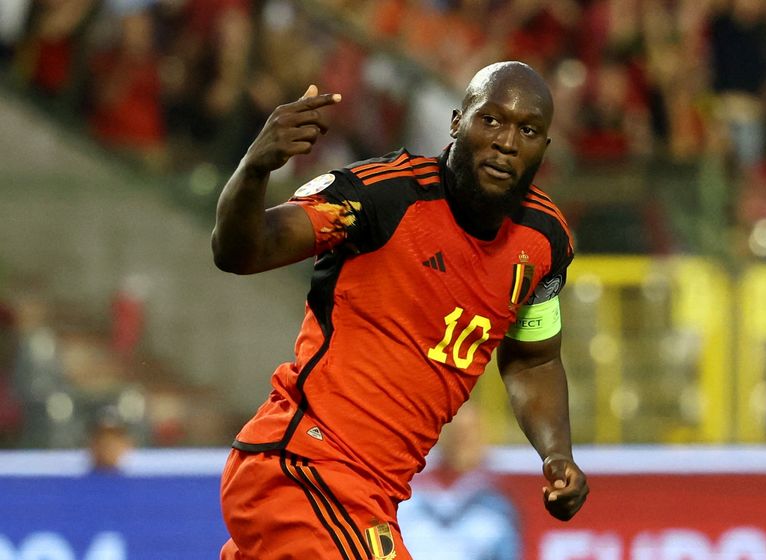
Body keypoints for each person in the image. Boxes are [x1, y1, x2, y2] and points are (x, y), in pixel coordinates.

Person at [212, 60, 589, 560]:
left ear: (545, 147)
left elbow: (533, 358)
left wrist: (556, 453)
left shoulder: (545, 242)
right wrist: (255, 167)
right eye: (491, 119)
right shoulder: (379, 197)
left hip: (369, 494)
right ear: (457, 122)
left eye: (528, 130)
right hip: (306, 469)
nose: (506, 141)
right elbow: (241, 251)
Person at [397, 402, 521, 560]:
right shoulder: (410, 496)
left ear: (482, 437)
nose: (462, 442)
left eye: (469, 433)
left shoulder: (498, 507)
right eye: (457, 433)